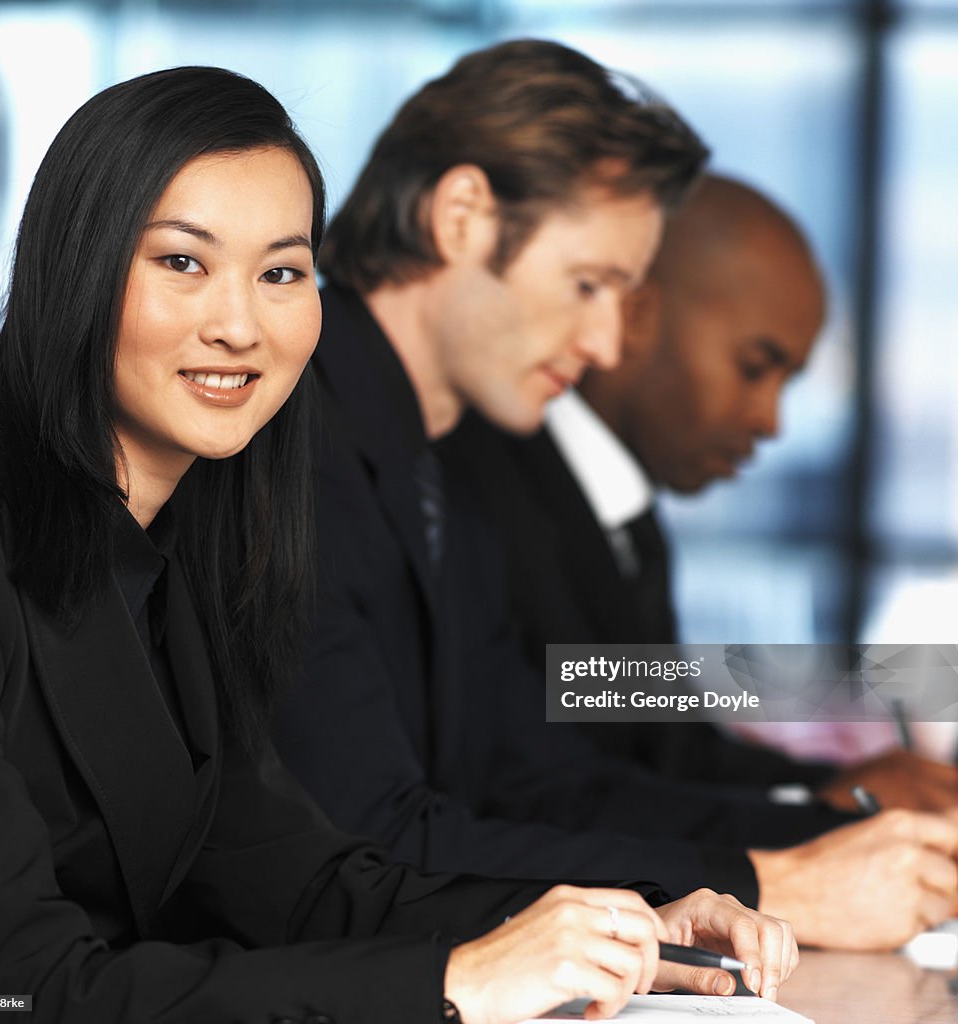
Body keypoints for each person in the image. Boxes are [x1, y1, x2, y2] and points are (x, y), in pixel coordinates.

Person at [0, 66, 796, 1024]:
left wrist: (636, 921)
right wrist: (457, 984)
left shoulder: (177, 556)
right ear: (76, 269)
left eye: (282, 273)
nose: (237, 326)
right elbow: (4, 989)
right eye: (182, 261)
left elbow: (306, 879)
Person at [273, 41, 958, 953]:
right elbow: (364, 840)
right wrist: (778, 877)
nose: (605, 343)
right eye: (590, 285)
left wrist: (835, 845)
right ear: (464, 217)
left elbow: (540, 777)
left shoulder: (436, 465)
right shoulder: (287, 442)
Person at [447, 173, 958, 814]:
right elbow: (544, 789)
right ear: (634, 316)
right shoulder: (482, 494)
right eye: (754, 368)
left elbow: (670, 751)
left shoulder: (624, 516)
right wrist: (819, 810)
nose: (771, 421)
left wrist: (837, 792)